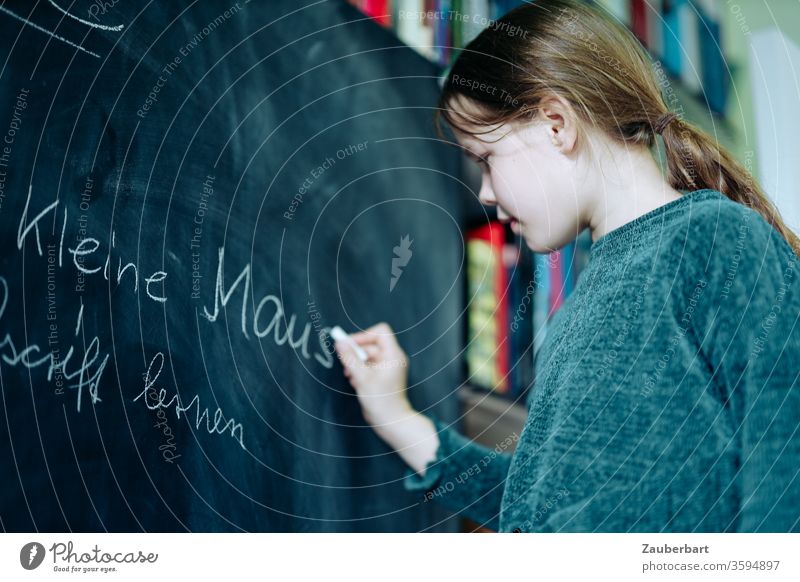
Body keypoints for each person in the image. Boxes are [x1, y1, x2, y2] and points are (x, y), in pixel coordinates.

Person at [334, 0, 800, 532]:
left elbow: (784, 461)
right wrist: (398, 419)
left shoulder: (715, 241)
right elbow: (542, 504)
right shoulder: (573, 313)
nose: (485, 193)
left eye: (486, 158)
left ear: (556, 124)